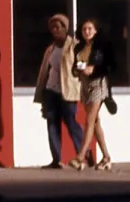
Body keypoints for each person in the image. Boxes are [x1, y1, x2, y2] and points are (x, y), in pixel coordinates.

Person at [33, 14, 90, 169]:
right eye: (52, 27)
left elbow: (83, 65)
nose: (55, 30)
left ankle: (83, 153)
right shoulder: (50, 49)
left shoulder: (74, 45)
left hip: (68, 90)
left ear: (65, 28)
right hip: (51, 90)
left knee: (71, 122)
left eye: (58, 27)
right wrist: (42, 93)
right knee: (52, 123)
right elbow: (45, 71)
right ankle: (56, 159)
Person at [69, 19, 114, 171]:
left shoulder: (100, 47)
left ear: (95, 30)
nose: (86, 31)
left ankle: (80, 157)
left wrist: (93, 69)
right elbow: (74, 68)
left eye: (90, 29)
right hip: (84, 84)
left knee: (89, 120)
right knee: (95, 123)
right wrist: (77, 70)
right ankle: (106, 157)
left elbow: (108, 65)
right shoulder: (80, 48)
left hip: (98, 84)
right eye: (84, 29)